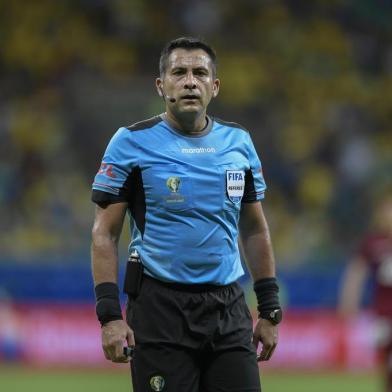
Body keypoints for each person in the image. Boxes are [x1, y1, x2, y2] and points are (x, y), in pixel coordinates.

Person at [91, 37, 282, 392]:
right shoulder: (130, 142)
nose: (190, 81)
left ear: (215, 86)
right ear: (161, 86)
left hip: (228, 308)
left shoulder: (239, 143)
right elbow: (104, 233)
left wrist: (270, 309)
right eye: (179, 72)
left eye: (200, 73)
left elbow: (254, 229)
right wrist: (109, 317)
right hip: (159, 310)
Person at [338, 193, 392, 392]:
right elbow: (356, 273)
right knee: (386, 363)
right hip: (383, 315)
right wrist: (348, 302)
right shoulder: (373, 242)